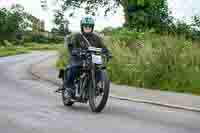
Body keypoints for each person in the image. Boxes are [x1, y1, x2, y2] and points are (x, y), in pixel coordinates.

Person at [57, 16, 111, 97]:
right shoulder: (77, 36)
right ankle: (69, 87)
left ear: (92, 27)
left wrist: (108, 53)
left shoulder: (97, 38)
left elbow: (103, 47)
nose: (87, 28)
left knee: (99, 71)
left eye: (89, 26)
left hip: (92, 59)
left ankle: (92, 87)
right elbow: (72, 46)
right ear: (82, 27)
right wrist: (75, 51)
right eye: (85, 26)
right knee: (74, 69)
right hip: (78, 58)